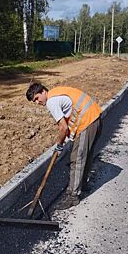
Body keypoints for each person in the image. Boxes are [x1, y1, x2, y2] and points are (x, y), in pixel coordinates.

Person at [26, 82, 102, 210]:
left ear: (43, 91)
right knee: (85, 156)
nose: (38, 103)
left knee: (77, 159)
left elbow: (63, 127)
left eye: (37, 98)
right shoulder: (57, 92)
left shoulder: (51, 101)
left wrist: (59, 145)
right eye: (34, 101)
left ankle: (73, 196)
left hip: (86, 123)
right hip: (96, 119)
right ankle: (83, 185)